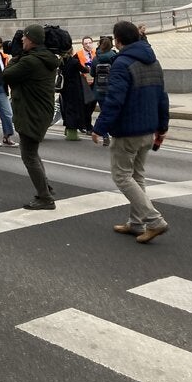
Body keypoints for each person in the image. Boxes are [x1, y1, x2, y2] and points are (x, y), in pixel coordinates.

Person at [92, 21, 170, 243]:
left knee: (122, 176)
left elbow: (115, 100)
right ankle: (137, 223)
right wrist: (162, 127)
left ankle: (154, 221)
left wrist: (99, 128)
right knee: (137, 176)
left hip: (127, 131)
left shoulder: (122, 64)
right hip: (147, 129)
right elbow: (162, 97)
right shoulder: (153, 62)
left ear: (118, 40)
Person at [1, 24, 59, 209]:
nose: (22, 41)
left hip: (31, 113)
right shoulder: (46, 57)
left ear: (32, 40)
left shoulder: (30, 61)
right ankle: (46, 188)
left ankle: (45, 198)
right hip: (40, 111)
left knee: (29, 156)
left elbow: (6, 75)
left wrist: (15, 57)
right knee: (33, 153)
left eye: (24, 38)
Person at [90, 36, 118, 147]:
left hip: (99, 89)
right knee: (113, 111)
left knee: (104, 111)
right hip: (111, 89)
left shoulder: (96, 58)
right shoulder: (115, 57)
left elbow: (92, 73)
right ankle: (115, 133)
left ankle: (105, 135)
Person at [59, 47, 89, 141]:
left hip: (64, 88)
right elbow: (84, 70)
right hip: (74, 88)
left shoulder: (61, 61)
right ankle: (72, 134)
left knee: (66, 108)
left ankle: (67, 129)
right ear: (71, 51)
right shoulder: (74, 62)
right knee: (74, 110)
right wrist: (88, 68)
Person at [76, 35, 97, 133]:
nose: (88, 45)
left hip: (94, 81)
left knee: (93, 103)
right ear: (83, 45)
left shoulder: (95, 53)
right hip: (84, 81)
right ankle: (87, 126)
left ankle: (84, 123)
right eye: (86, 43)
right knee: (87, 104)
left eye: (89, 43)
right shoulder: (78, 54)